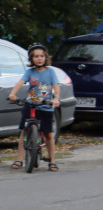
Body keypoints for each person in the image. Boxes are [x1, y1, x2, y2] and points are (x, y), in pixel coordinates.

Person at [7, 43, 60, 171]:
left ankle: (52, 161)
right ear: (31, 59)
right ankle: (19, 159)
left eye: (41, 56)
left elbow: (56, 87)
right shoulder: (29, 72)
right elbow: (20, 83)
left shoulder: (51, 71)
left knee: (49, 134)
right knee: (23, 132)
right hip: (30, 105)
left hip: (46, 106)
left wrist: (56, 98)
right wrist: (12, 94)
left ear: (45, 57)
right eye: (36, 56)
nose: (39, 58)